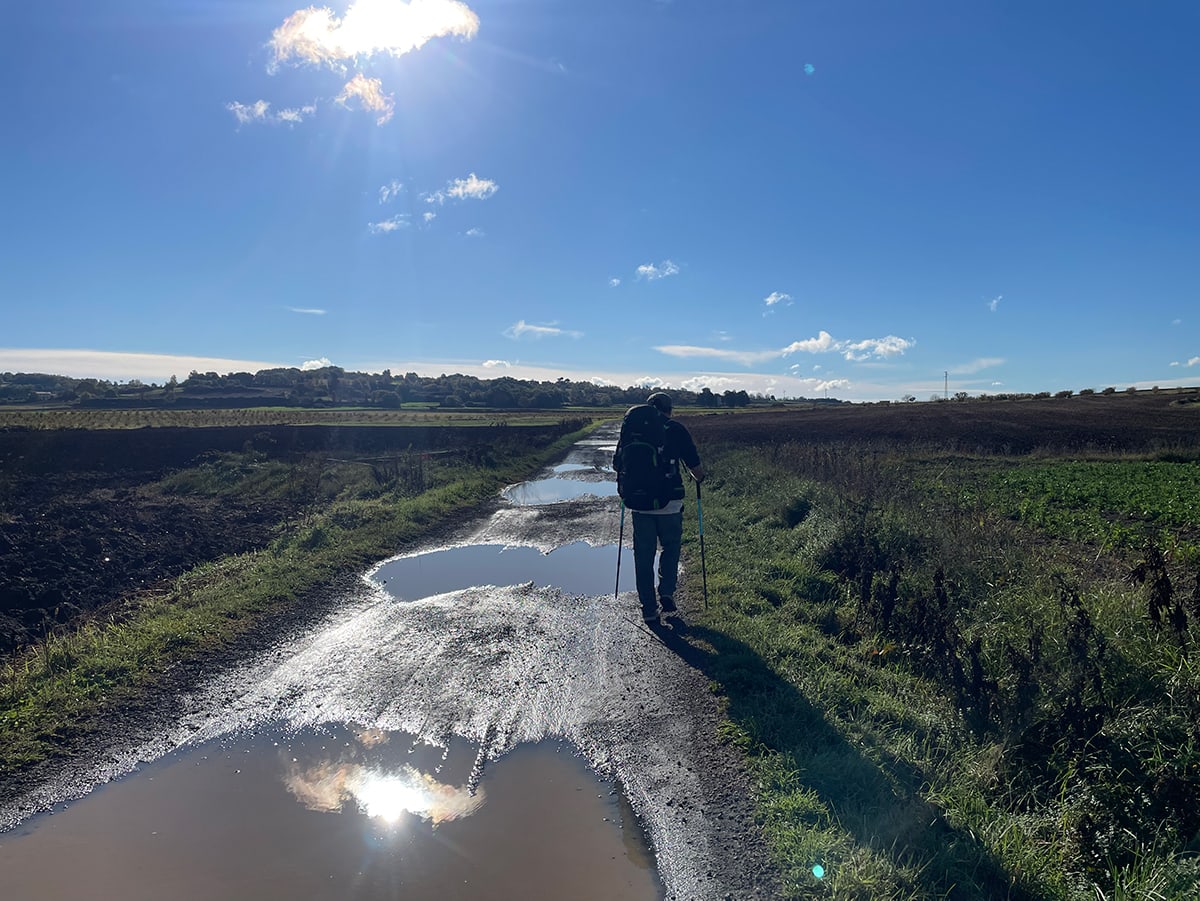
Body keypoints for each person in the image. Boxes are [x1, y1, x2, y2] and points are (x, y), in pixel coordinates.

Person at [617, 392, 705, 626]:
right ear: (670, 409)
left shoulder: (632, 428)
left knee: (643, 557)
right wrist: (699, 477)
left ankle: (648, 609)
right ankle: (666, 591)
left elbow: (618, 464)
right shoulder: (676, 429)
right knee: (671, 547)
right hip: (671, 503)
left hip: (638, 504)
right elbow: (695, 466)